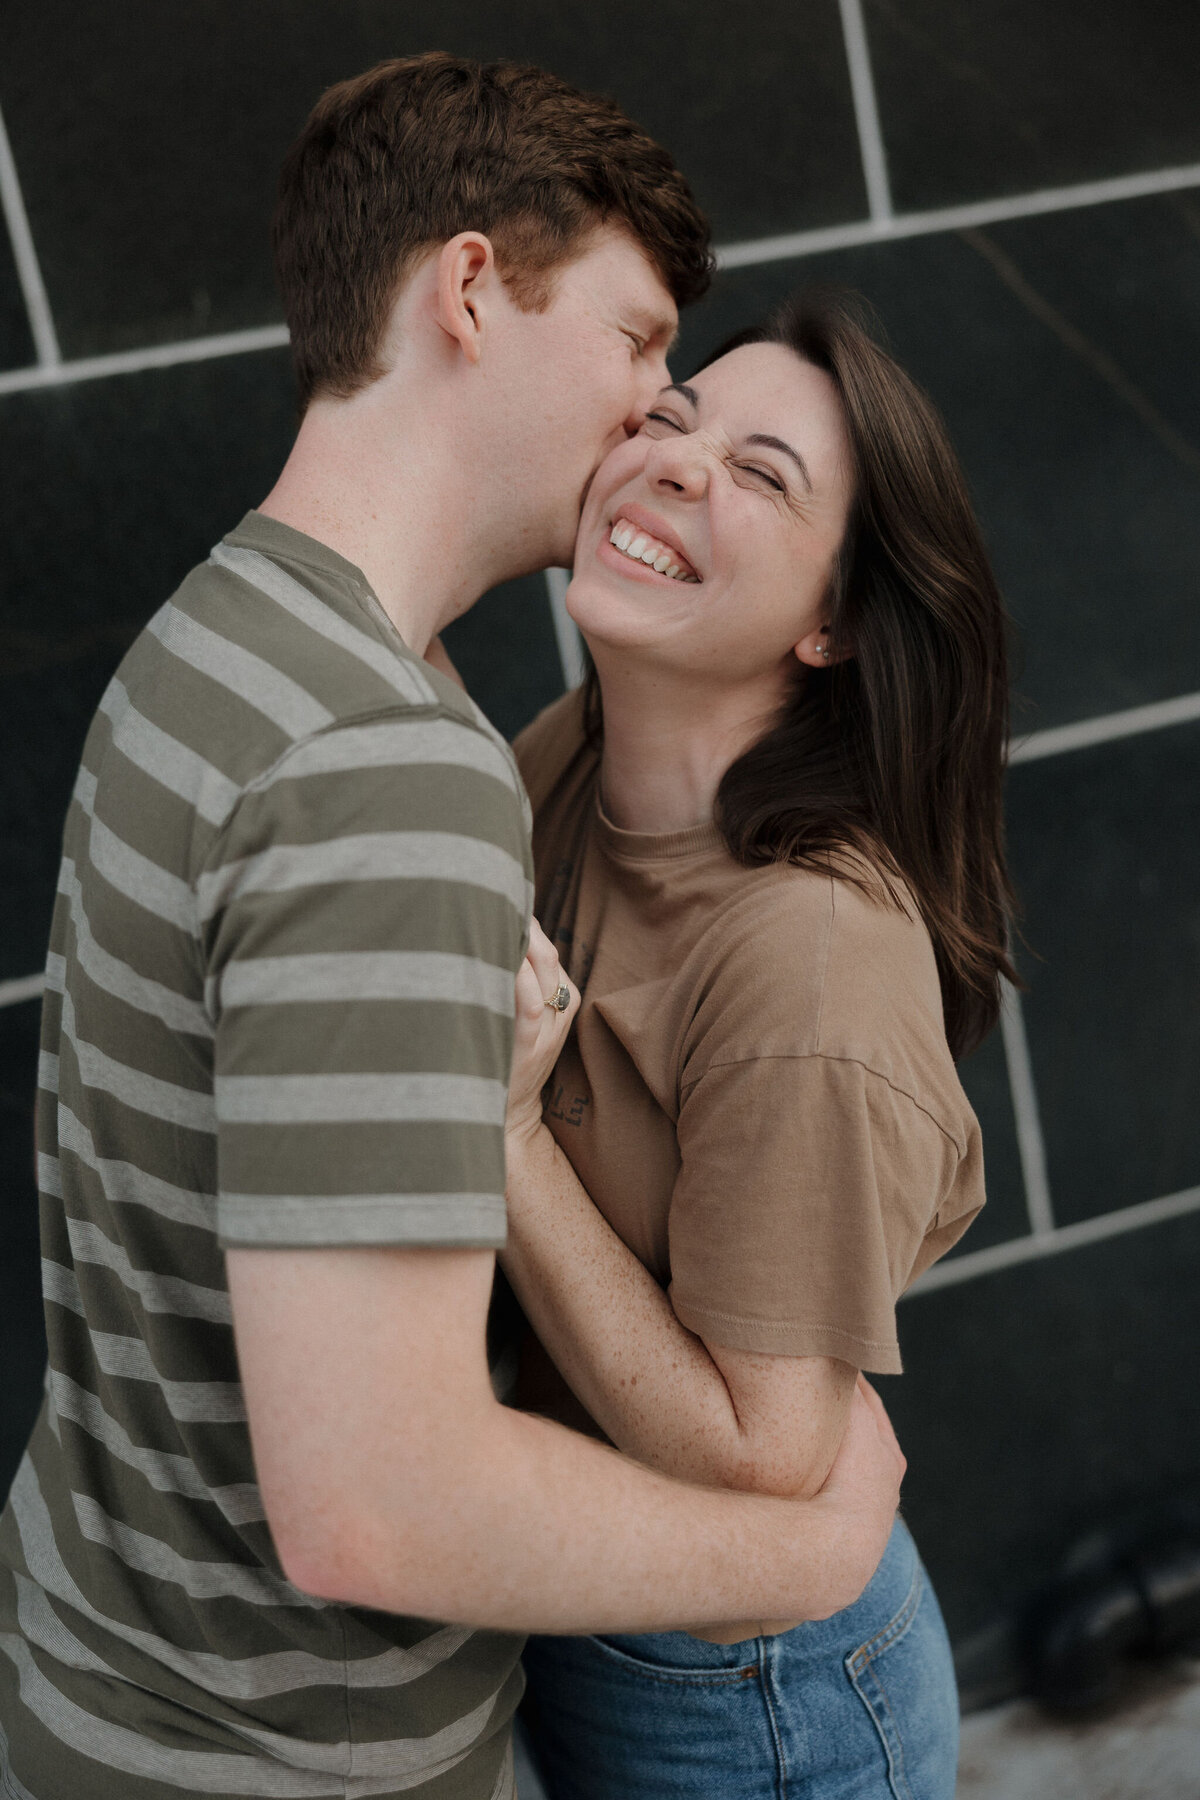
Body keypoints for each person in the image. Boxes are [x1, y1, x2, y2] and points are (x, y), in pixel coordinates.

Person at [0, 58, 905, 1800]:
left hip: (104, 1675)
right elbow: (375, 1505)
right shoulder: (384, 765)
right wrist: (802, 1559)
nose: (654, 416)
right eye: (643, 346)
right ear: (472, 291)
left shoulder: (219, 632)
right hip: (273, 1755)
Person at [500, 291, 1016, 1799]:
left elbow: (762, 1457)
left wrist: (505, 1142)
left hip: (753, 1698)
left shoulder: (806, 962)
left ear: (833, 621)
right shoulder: (569, 756)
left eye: (764, 473)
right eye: (671, 420)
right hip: (592, 1614)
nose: (677, 462)